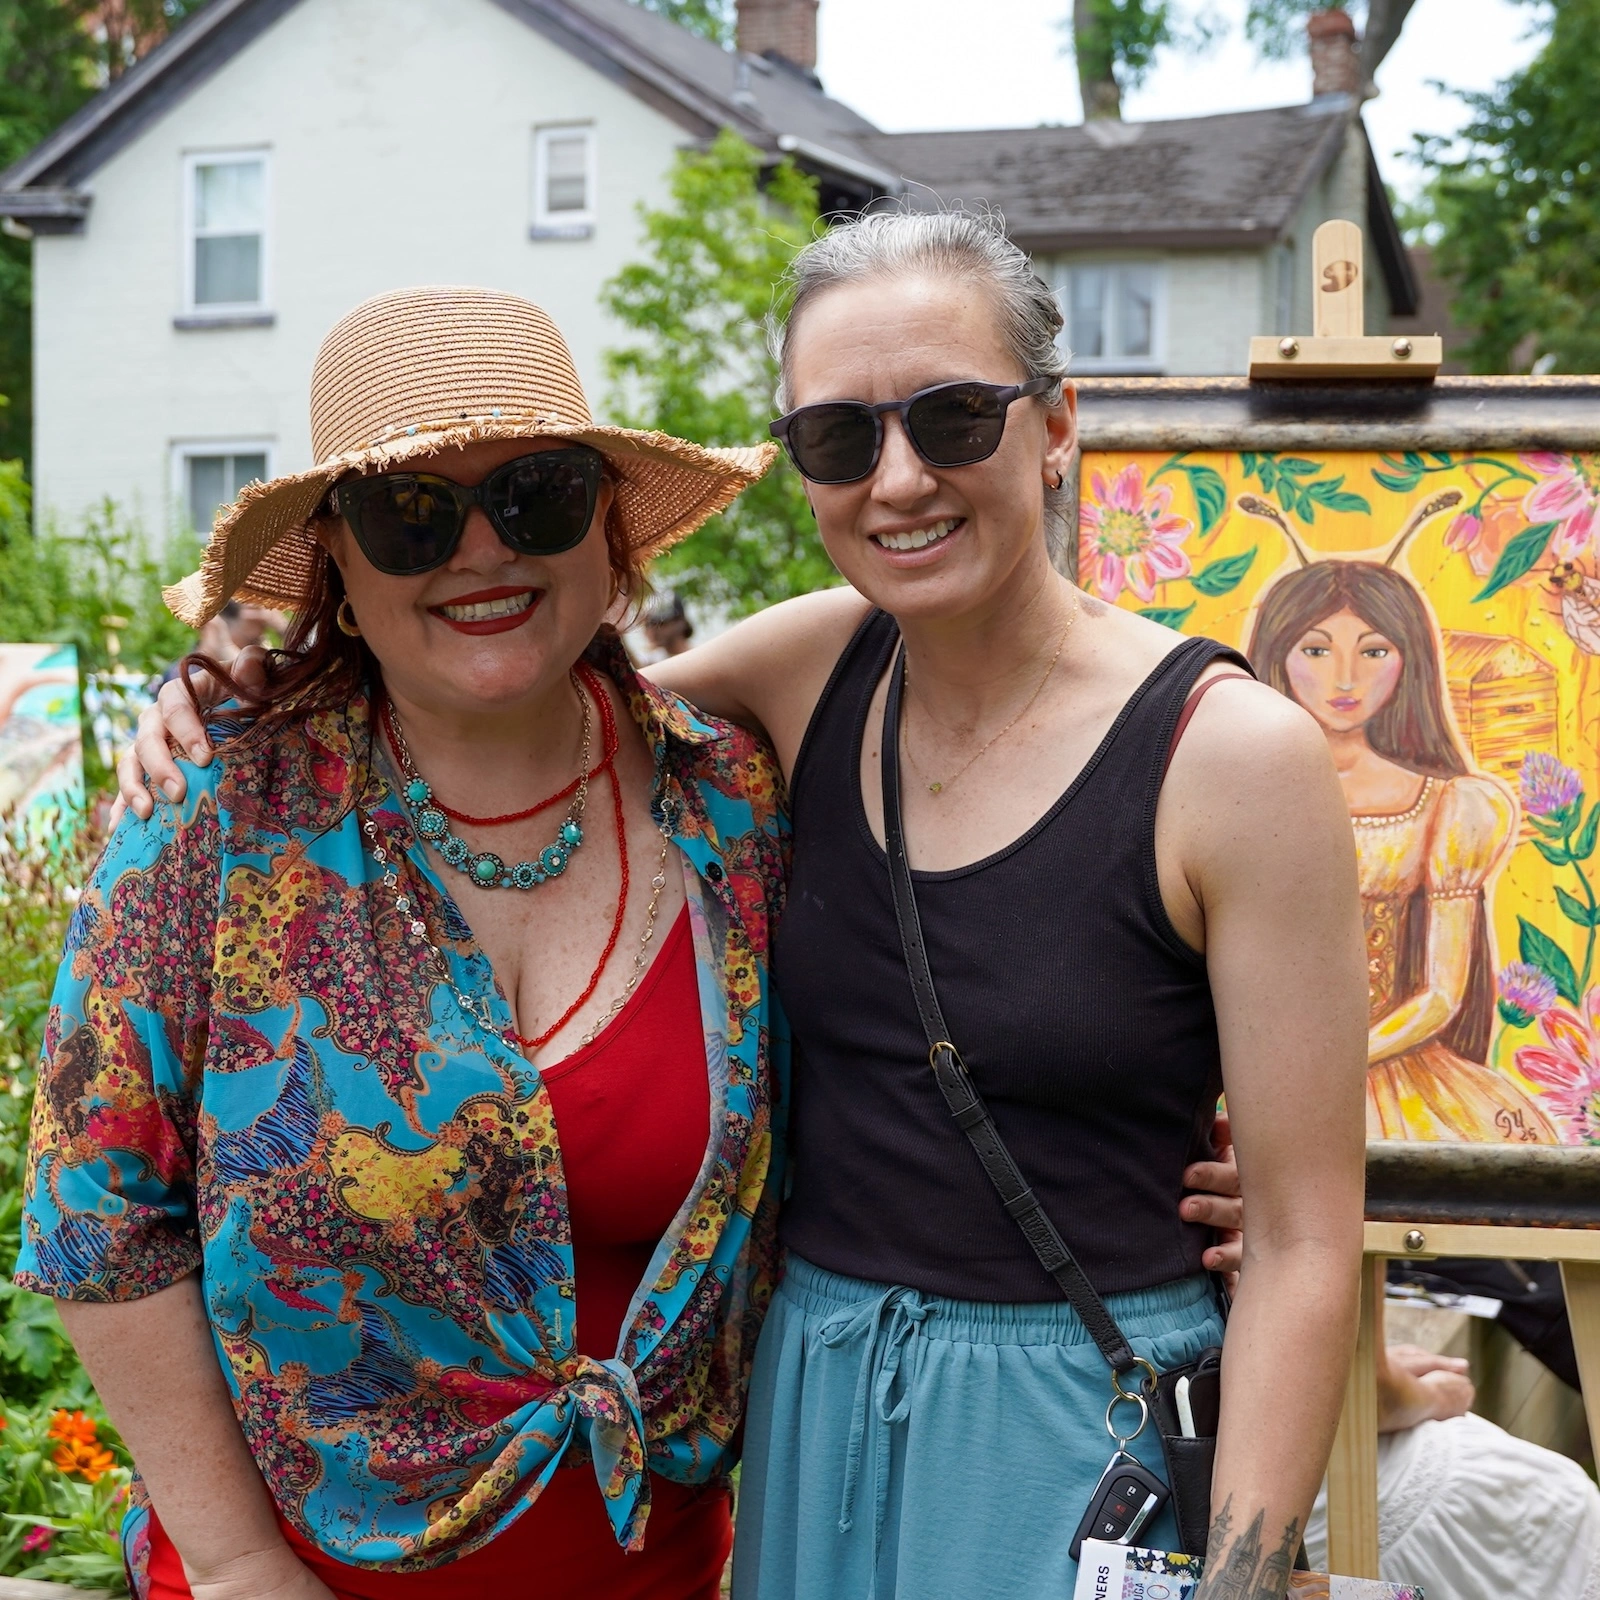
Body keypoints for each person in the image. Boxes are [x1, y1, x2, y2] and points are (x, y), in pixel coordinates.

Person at [119, 212, 1359, 1600]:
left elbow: (1312, 1243)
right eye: (839, 438)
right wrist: (220, 705)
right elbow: (506, 685)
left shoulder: (1230, 758)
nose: (899, 480)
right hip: (814, 1405)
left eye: (953, 419)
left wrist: (1240, 1578)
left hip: (1079, 1418)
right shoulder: (803, 675)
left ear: (1057, 424)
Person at [21, 285, 788, 1600]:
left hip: (659, 1575)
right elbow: (98, 1220)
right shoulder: (209, 818)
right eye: (411, 513)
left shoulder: (735, 802)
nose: (480, 551)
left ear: (608, 529)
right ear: (339, 567)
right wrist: (240, 1564)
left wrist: (1241, 1187)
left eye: (536, 495)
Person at [1247, 560, 1557, 1143]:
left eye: (1373, 651)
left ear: (1408, 659)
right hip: (1248, 1076)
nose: (1345, 678)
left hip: (1394, 1075)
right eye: (1314, 650)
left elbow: (1441, 994)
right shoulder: (1228, 794)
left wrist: (1334, 1065)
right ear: (1276, 657)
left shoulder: (1449, 807)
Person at [1303, 1267, 1600, 1598]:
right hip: (1328, 1513)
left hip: (1290, 1502)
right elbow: (1369, 1397)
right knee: (1559, 1505)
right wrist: (1438, 1396)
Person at [642, 592, 695, 660]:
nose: (652, 630)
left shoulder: (700, 658)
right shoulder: (650, 660)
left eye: (660, 623)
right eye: (648, 624)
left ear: (680, 622)